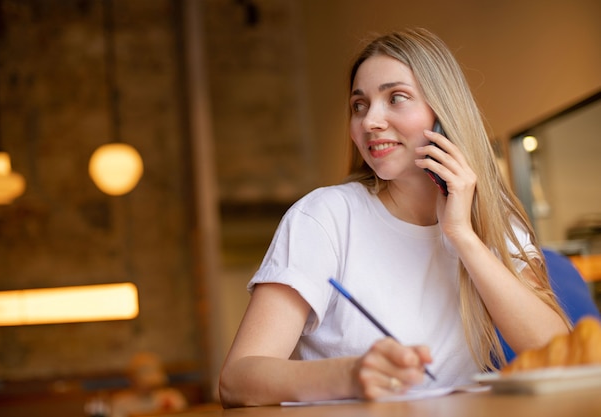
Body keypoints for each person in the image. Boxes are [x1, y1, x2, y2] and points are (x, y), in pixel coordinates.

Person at [218, 27, 571, 408]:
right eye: (359, 105)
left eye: (396, 98)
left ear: (443, 115)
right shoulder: (325, 217)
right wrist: (351, 375)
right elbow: (237, 380)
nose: (370, 121)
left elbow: (561, 355)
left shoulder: (493, 220)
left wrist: (462, 236)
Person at [109, 351, 187, 417]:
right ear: (132, 380)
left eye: (152, 383)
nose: (148, 387)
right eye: (144, 382)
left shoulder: (173, 398)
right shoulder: (121, 403)